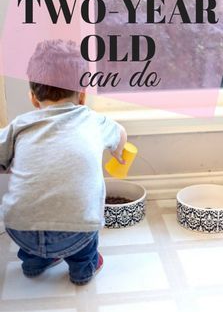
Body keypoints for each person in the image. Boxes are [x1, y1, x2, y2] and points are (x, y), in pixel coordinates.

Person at [0, 40, 127, 285]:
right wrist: (118, 152)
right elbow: (120, 132)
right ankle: (83, 270)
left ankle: (34, 263)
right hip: (76, 233)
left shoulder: (20, 125)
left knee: (31, 218)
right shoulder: (94, 121)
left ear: (34, 99)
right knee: (85, 226)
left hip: (21, 230)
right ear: (82, 96)